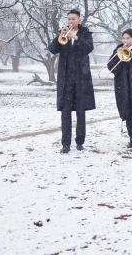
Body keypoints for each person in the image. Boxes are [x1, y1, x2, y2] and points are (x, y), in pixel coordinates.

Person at [47, 9, 96, 154]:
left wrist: (76, 37)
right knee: (65, 112)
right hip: (66, 78)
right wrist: (59, 36)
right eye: (68, 19)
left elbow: (88, 48)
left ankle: (80, 142)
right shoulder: (64, 32)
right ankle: (65, 144)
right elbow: (53, 49)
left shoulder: (85, 33)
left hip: (81, 79)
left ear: (79, 19)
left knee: (81, 112)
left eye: (73, 19)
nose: (70, 22)